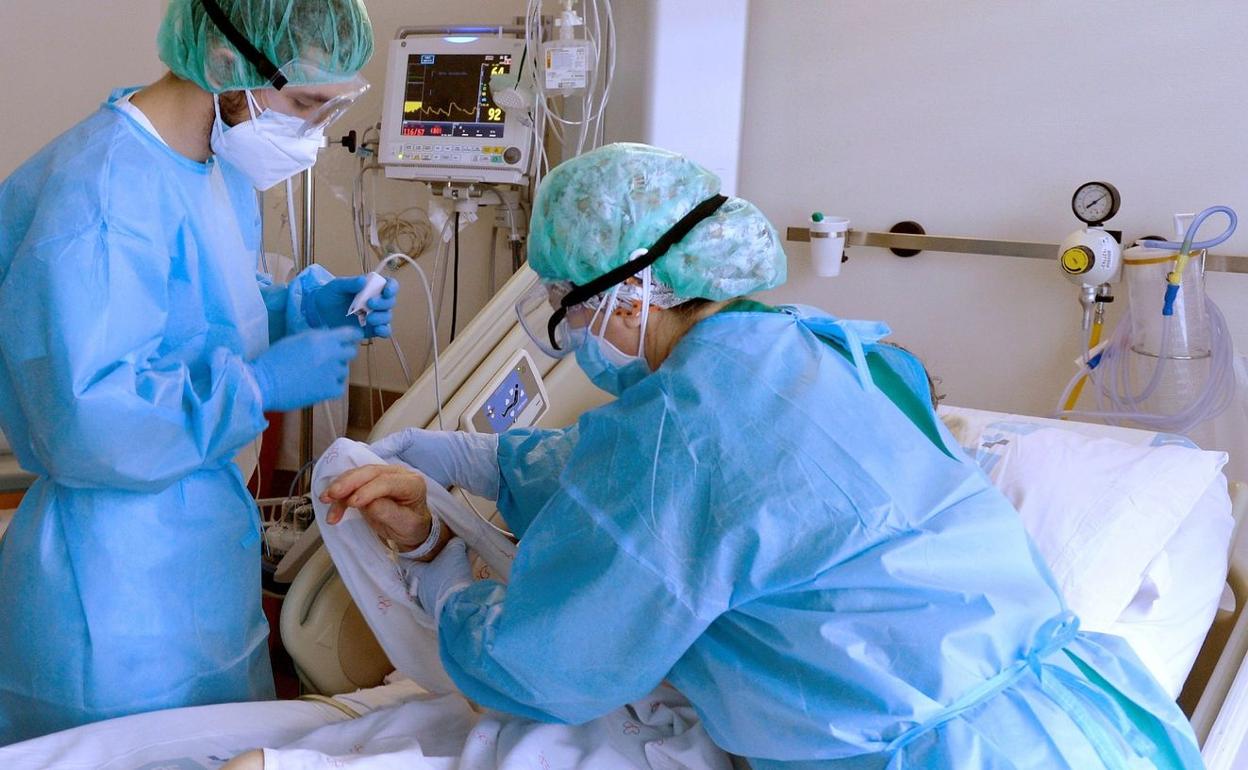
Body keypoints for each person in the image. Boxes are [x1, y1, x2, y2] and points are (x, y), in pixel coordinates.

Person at [319, 143, 1202, 769]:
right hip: (1090, 721)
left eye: (567, 301)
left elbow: (545, 666)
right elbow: (669, 484)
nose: (571, 327)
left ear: (633, 294)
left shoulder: (681, 435)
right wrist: (476, 463)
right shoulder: (810, 347)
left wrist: (439, 569)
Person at [0, 0, 394, 744]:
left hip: (198, 554)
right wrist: (262, 386)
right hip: (114, 594)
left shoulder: (213, 164)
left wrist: (296, 311)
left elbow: (197, 311)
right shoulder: (101, 193)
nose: (314, 129)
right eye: (307, 102)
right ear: (224, 59)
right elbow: (93, 421)